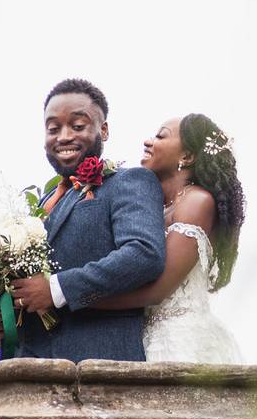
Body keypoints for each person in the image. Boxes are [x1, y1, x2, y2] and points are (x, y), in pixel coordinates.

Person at [3, 78, 166, 361]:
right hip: (27, 366)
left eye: (77, 126)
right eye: (53, 128)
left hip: (96, 362)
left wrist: (57, 289)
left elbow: (144, 253)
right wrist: (7, 318)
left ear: (103, 130)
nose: (64, 136)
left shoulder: (129, 181)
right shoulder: (41, 203)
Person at [92, 113, 245, 363]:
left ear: (186, 157)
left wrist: (83, 300)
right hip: (143, 338)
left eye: (160, 136)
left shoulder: (197, 202)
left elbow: (157, 291)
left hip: (181, 342)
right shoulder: (157, 208)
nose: (148, 141)